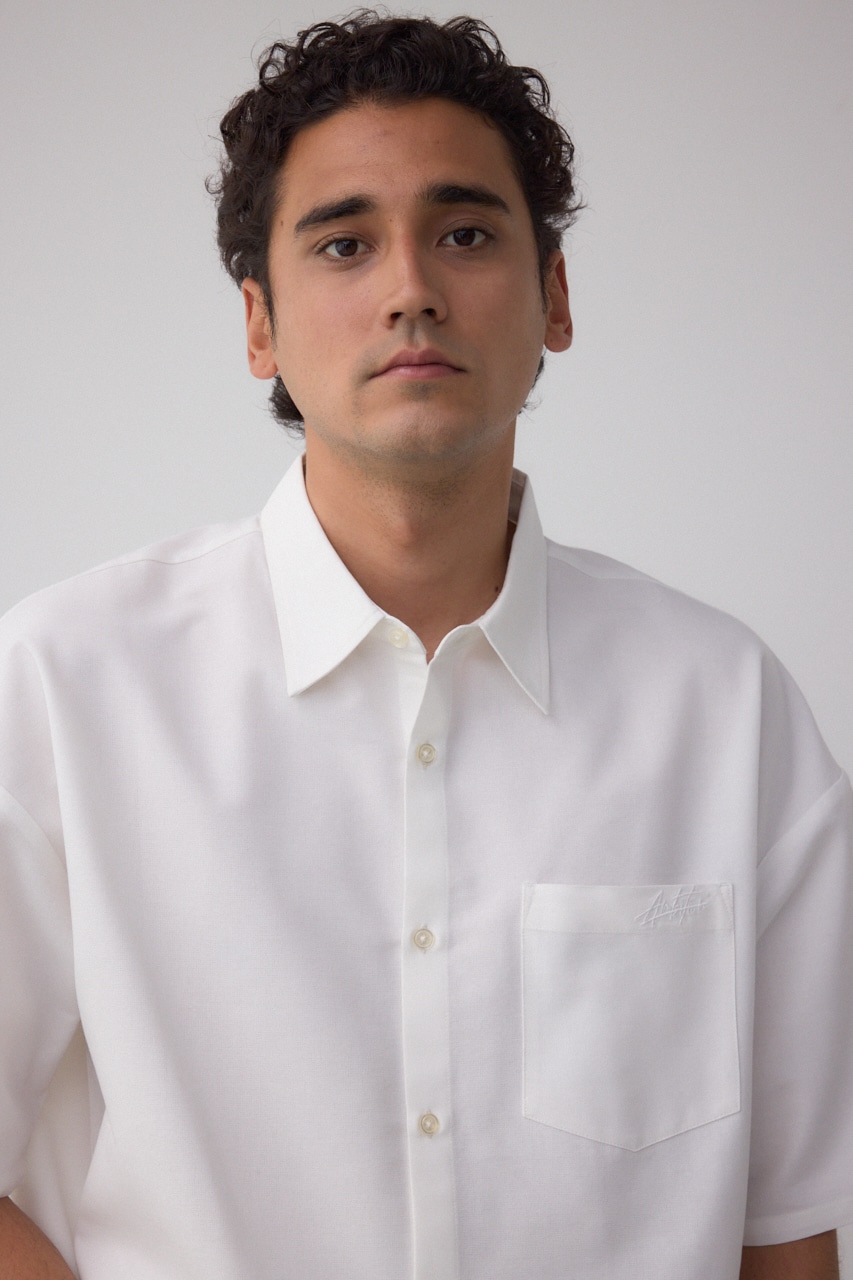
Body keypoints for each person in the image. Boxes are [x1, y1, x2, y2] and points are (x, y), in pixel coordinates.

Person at [1, 11, 851, 1279]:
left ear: (554, 296)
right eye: (344, 243)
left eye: (464, 232)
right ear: (259, 325)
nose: (411, 288)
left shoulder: (726, 709)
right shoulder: (65, 687)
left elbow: (785, 1232)